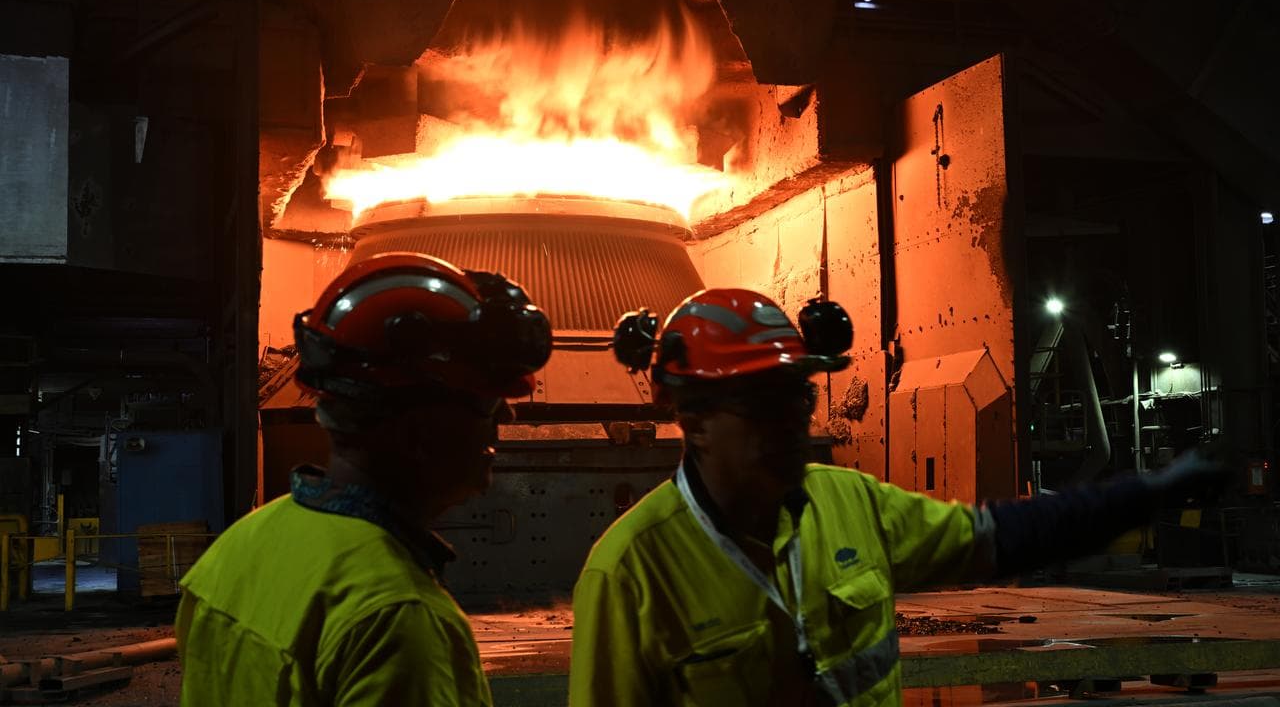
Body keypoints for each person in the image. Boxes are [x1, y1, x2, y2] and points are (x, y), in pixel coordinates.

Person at [570, 287, 1228, 707]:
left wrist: (1146, 495)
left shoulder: (850, 503)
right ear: (693, 419)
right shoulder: (629, 571)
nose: (792, 427)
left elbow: (1008, 536)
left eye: (798, 400)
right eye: (761, 408)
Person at [176, 252, 552, 706]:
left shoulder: (236, 551)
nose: (506, 416)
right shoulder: (397, 620)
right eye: (488, 403)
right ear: (419, 426)